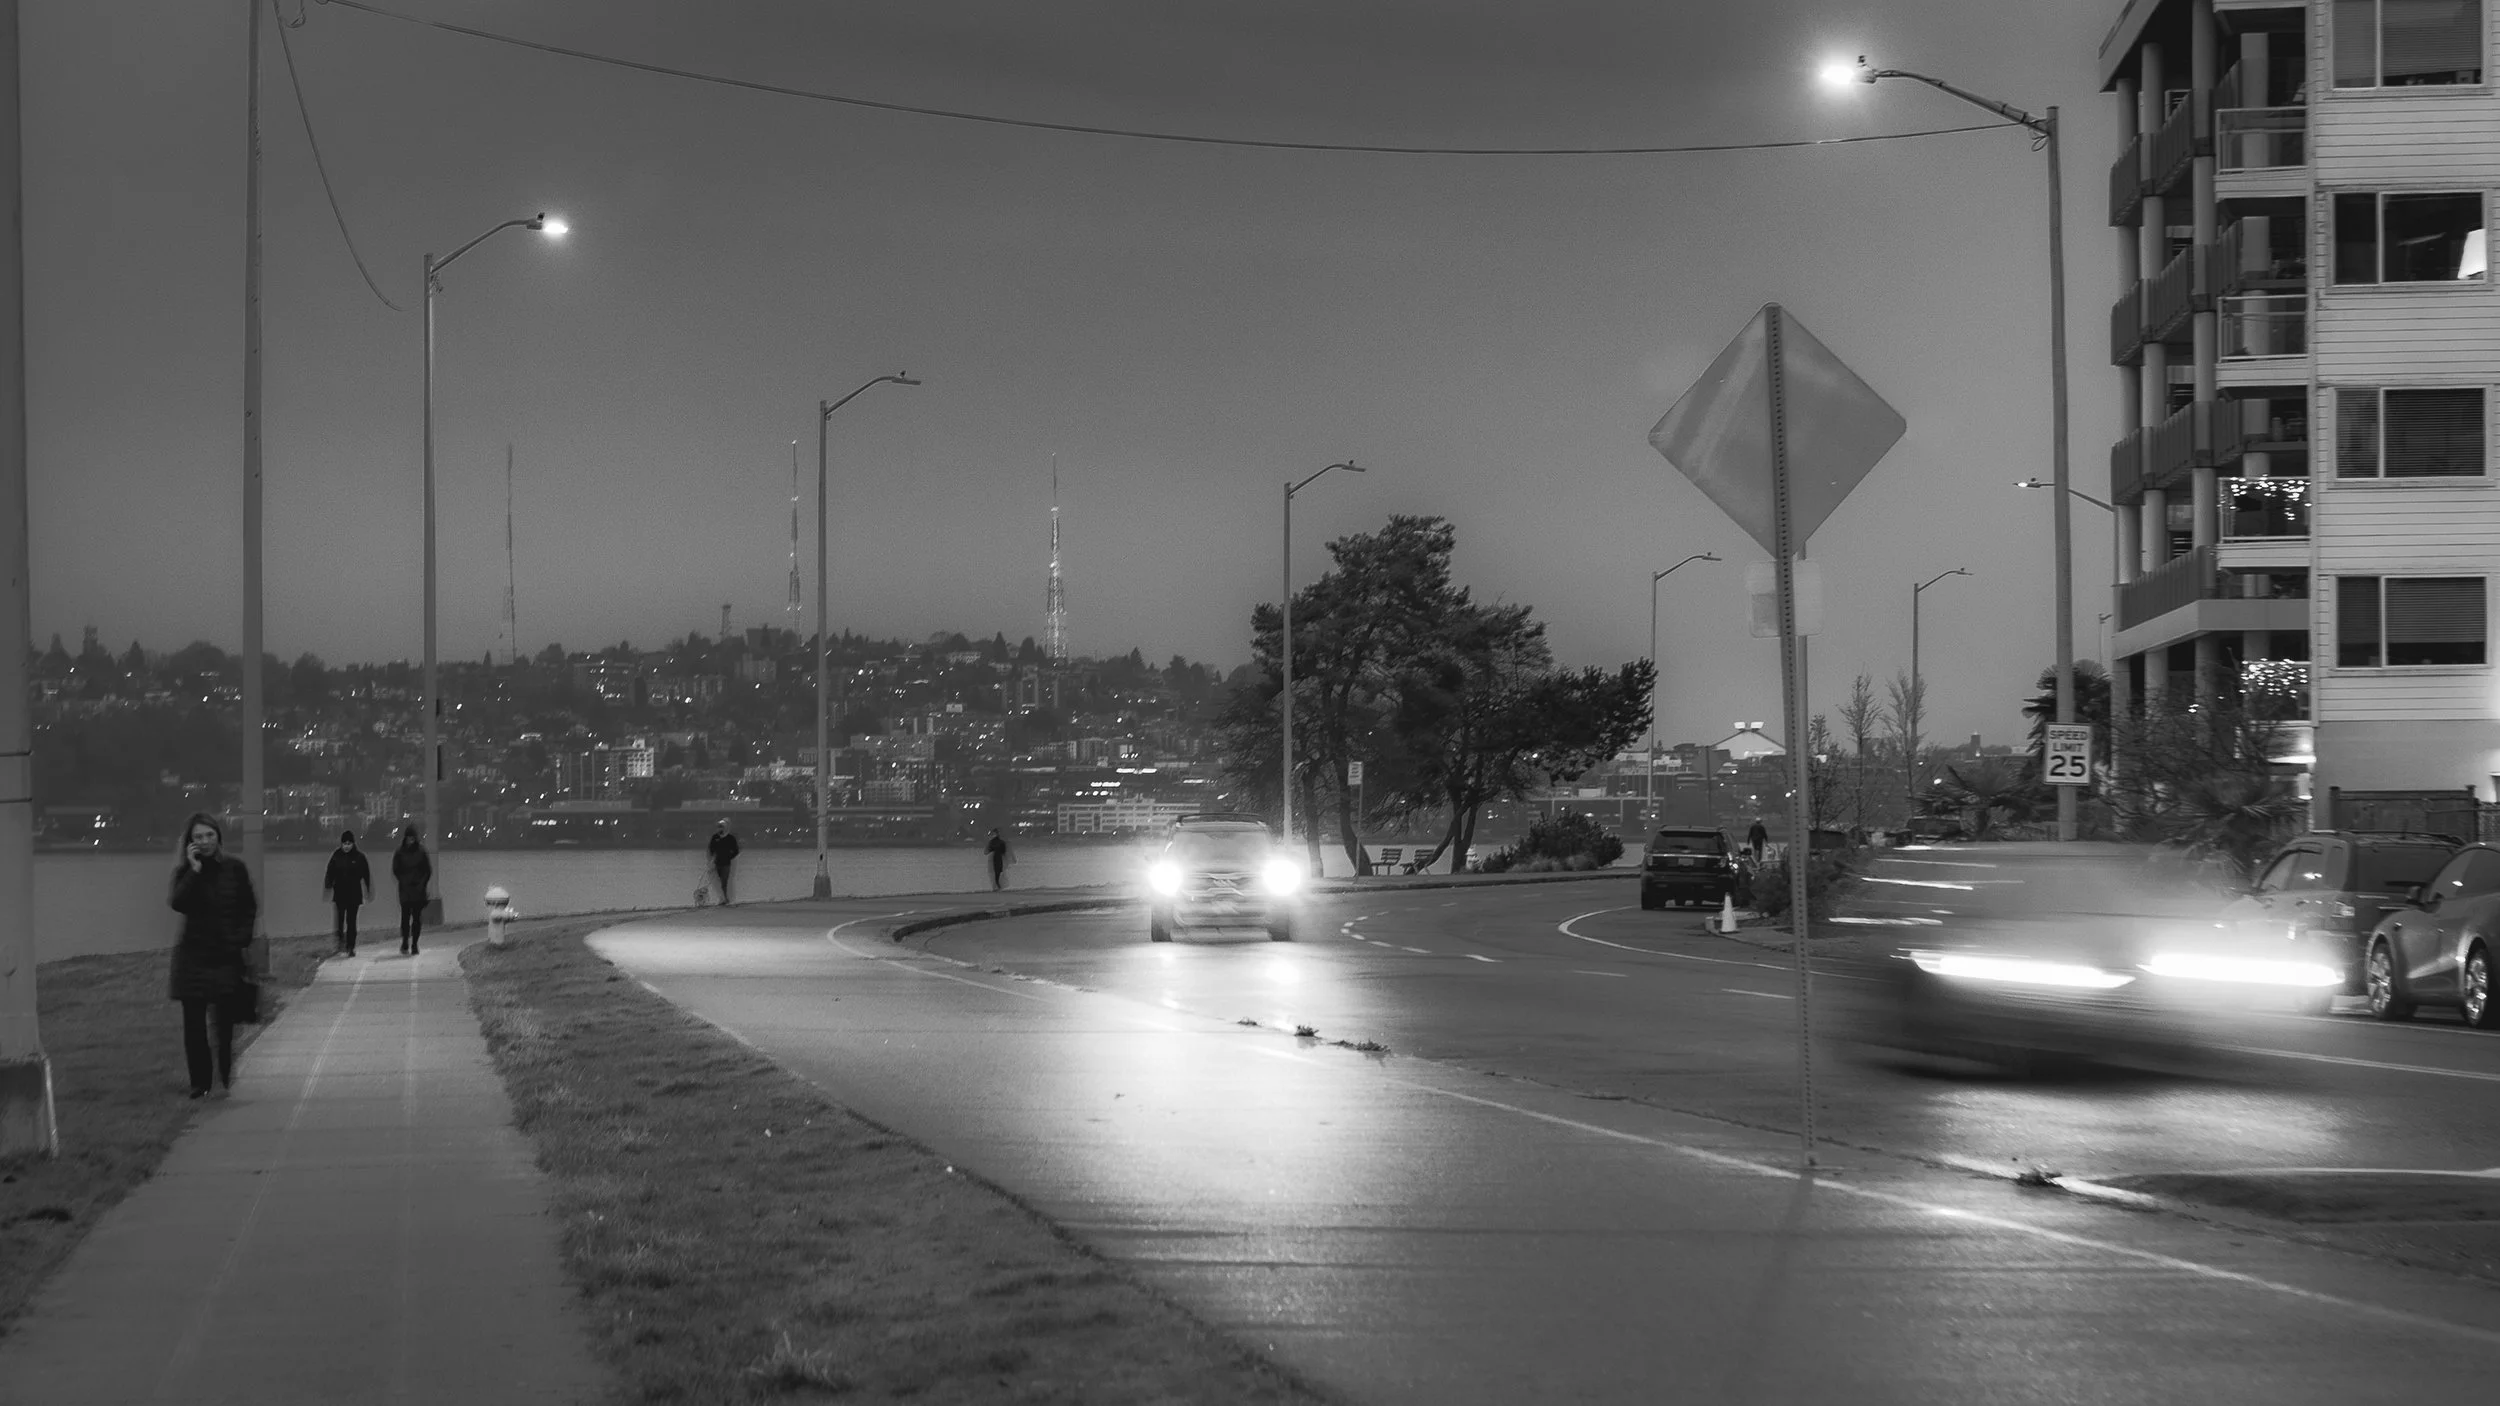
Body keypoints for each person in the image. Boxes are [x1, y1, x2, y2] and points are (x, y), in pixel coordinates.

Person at [167, 812, 256, 1099]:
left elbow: (248, 908)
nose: (204, 842)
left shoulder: (235, 869)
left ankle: (226, 1071)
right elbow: (178, 903)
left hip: (225, 957)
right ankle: (200, 1083)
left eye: (209, 835)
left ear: (218, 836)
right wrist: (194, 870)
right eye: (198, 837)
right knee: (194, 1027)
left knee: (224, 1023)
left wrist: (240, 939)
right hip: (192, 958)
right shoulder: (185, 872)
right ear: (189, 843)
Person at [321, 830, 373, 957]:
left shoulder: (359, 857)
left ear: (353, 844)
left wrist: (368, 889)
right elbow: (330, 871)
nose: (347, 846)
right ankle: (340, 942)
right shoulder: (336, 855)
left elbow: (366, 874)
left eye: (349, 843)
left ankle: (351, 946)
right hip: (339, 893)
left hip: (354, 894)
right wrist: (328, 885)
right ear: (341, 843)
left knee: (351, 921)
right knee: (339, 921)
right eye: (344, 843)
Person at [392, 825, 433, 956]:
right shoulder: (399, 852)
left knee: (416, 918)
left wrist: (422, 884)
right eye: (408, 838)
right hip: (405, 889)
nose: (410, 841)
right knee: (405, 918)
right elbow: (395, 869)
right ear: (405, 838)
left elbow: (428, 870)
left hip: (418, 890)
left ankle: (415, 944)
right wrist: (403, 880)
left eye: (412, 838)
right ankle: (405, 941)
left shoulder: (422, 852)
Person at [707, 819, 741, 905]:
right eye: (719, 827)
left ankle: (725, 899)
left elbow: (736, 851)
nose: (720, 829)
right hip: (717, 863)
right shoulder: (715, 837)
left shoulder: (730, 838)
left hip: (726, 864)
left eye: (721, 827)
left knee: (724, 881)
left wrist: (729, 856)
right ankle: (723, 898)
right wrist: (712, 857)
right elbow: (711, 848)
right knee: (718, 881)